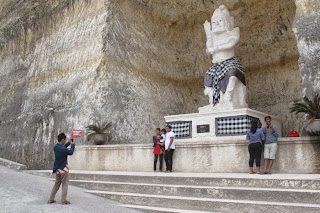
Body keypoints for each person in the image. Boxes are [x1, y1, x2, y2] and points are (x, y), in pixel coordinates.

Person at [48, 133, 75, 204]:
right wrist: (72, 145)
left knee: (56, 184)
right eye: (65, 140)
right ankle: (63, 200)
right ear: (62, 139)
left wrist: (68, 143)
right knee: (65, 185)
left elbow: (63, 147)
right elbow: (71, 152)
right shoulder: (62, 149)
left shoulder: (56, 147)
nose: (65, 141)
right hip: (63, 169)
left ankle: (51, 199)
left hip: (57, 169)